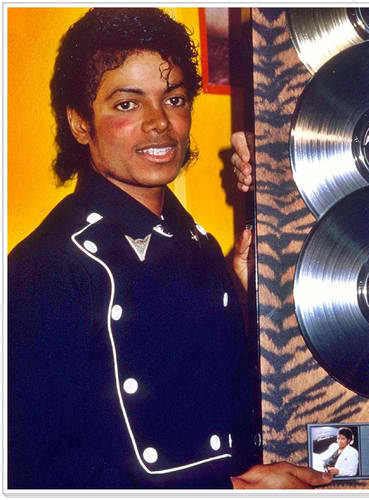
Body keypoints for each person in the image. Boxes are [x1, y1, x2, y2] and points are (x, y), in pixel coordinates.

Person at [8, 8, 332, 490]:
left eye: (174, 99)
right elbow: (34, 474)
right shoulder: (45, 269)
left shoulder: (199, 246)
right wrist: (232, 491)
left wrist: (248, 289)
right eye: (127, 104)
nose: (160, 123)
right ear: (80, 123)